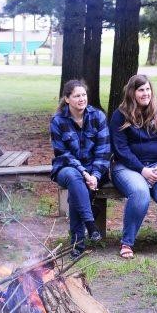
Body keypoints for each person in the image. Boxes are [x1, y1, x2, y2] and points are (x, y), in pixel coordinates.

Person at [109, 74, 157, 259]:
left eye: (148, 89)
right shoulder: (120, 115)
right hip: (127, 167)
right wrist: (142, 170)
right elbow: (121, 149)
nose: (145, 93)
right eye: (141, 90)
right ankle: (127, 243)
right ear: (132, 92)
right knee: (140, 193)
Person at [50, 79, 111, 258]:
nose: (81, 99)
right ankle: (90, 224)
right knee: (75, 178)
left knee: (78, 189)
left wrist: (96, 175)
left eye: (83, 95)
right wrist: (84, 173)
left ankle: (78, 243)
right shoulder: (58, 120)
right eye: (77, 96)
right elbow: (63, 154)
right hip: (66, 168)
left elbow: (103, 151)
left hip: (95, 169)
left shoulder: (98, 116)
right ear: (67, 99)